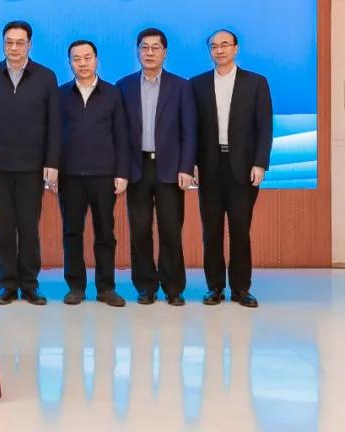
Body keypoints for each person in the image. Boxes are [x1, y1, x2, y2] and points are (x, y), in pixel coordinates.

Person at [0, 20, 60, 305]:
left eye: (19, 42)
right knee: (3, 228)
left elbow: (54, 124)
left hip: (32, 166)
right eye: (8, 42)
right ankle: (7, 284)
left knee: (28, 228)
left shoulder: (45, 77)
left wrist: (52, 162)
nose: (13, 47)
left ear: (29, 45)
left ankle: (30, 284)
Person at [191, 30, 273, 308]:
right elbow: (192, 129)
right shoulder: (197, 84)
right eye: (214, 46)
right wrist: (192, 163)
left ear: (236, 48)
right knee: (211, 231)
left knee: (240, 229)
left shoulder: (256, 83)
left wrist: (260, 163)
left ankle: (241, 288)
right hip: (209, 167)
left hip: (243, 168)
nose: (219, 50)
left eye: (225, 45)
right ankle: (214, 287)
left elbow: (264, 126)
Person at [117, 28, 196, 306]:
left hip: (170, 169)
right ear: (137, 51)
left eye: (155, 48)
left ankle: (173, 287)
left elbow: (189, 131)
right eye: (144, 47)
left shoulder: (181, 86)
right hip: (136, 168)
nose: (149, 52)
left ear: (165, 52)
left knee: (170, 229)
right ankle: (145, 286)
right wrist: (120, 171)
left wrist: (187, 167)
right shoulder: (124, 86)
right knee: (139, 230)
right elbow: (119, 133)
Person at [57, 40, 128, 307]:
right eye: (76, 59)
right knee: (72, 232)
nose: (82, 63)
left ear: (96, 60)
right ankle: (75, 287)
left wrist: (121, 172)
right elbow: (53, 135)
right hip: (70, 175)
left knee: (105, 232)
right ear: (70, 63)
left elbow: (121, 134)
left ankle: (106, 288)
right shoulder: (60, 94)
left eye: (87, 58)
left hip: (104, 174)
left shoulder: (113, 93)